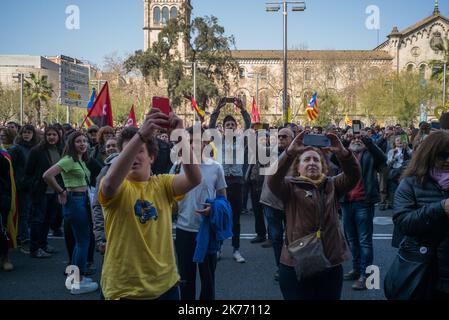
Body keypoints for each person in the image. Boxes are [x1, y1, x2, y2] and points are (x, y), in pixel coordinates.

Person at [98, 108, 201, 300]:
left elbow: (194, 178)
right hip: (123, 289)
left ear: (151, 157)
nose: (134, 156)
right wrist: (140, 136)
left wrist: (180, 136)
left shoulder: (163, 184)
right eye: (128, 152)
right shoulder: (115, 186)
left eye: (140, 151)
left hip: (165, 287)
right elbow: (111, 184)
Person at [268, 130, 361, 300]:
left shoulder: (333, 185)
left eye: (316, 160)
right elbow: (272, 178)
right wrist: (290, 152)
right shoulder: (289, 187)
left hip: (330, 264)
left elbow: (354, 175)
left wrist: (342, 152)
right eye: (306, 159)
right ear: (298, 167)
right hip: (294, 264)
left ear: (323, 166)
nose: (312, 163)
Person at [171, 125, 228, 300]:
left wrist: (213, 209)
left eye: (195, 140)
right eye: (188, 141)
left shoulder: (216, 167)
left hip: (206, 230)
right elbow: (169, 197)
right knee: (186, 280)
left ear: (205, 142)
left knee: (208, 280)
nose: (192, 145)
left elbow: (223, 199)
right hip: (184, 231)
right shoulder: (177, 166)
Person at [391, 131, 449, 299]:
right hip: (423, 271)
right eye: (443, 156)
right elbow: (403, 223)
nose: (448, 161)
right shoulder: (410, 184)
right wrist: (440, 208)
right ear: (428, 155)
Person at [43, 131, 98, 295]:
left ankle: (74, 279)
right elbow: (47, 175)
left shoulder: (80, 159)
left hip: (81, 200)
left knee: (79, 242)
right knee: (83, 242)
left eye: (84, 141)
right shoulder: (68, 160)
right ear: (71, 144)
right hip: (75, 201)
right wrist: (61, 191)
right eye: (78, 141)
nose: (83, 144)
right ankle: (77, 283)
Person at [341, 133, 386, 290]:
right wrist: (345, 140)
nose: (356, 140)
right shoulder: (345, 155)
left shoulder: (370, 154)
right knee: (351, 239)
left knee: (364, 241)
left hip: (363, 202)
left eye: (359, 139)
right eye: (353, 139)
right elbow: (333, 158)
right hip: (346, 202)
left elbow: (383, 159)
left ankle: (365, 275)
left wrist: (368, 141)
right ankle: (356, 268)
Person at [209, 97, 251, 263]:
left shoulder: (242, 140)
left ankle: (236, 250)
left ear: (236, 128)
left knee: (235, 219)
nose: (230, 127)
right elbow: (211, 126)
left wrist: (243, 109)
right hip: (221, 183)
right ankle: (218, 248)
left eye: (233, 125)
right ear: (223, 128)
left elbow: (249, 125)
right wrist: (217, 108)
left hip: (237, 183)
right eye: (227, 125)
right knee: (220, 216)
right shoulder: (217, 141)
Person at [260, 127, 294, 281]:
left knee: (293, 236)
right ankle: (280, 267)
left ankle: (292, 265)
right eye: (279, 136)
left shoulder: (298, 155)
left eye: (284, 137)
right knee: (276, 237)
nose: (280, 139)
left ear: (292, 139)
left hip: (290, 202)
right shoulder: (269, 153)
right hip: (271, 202)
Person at [25, 126, 63, 259]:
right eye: (49, 134)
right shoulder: (37, 151)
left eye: (54, 135)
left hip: (54, 191)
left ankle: (43, 244)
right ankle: (34, 249)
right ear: (45, 136)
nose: (51, 137)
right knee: (38, 220)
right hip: (40, 191)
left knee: (48, 219)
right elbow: (28, 171)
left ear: (59, 136)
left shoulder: (61, 150)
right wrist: (33, 186)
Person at [14, 124, 40, 252]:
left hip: (33, 185)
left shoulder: (36, 148)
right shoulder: (17, 149)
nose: (26, 135)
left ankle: (26, 236)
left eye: (29, 132)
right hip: (22, 186)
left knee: (30, 212)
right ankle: (22, 238)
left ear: (33, 134)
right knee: (24, 213)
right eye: (24, 132)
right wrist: (19, 181)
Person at [0, 147, 17, 271]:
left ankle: (5, 257)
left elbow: (6, 181)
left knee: (2, 229)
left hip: (1, 197)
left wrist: (6, 199)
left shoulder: (3, 157)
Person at [385, 136, 412, 212]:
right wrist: (394, 157)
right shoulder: (391, 151)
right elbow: (388, 163)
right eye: (397, 140)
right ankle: (394, 206)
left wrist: (407, 148)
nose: (400, 142)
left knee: (404, 190)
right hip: (394, 173)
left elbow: (413, 156)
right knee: (393, 190)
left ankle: (404, 206)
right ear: (394, 143)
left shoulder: (407, 150)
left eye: (401, 140)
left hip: (405, 173)